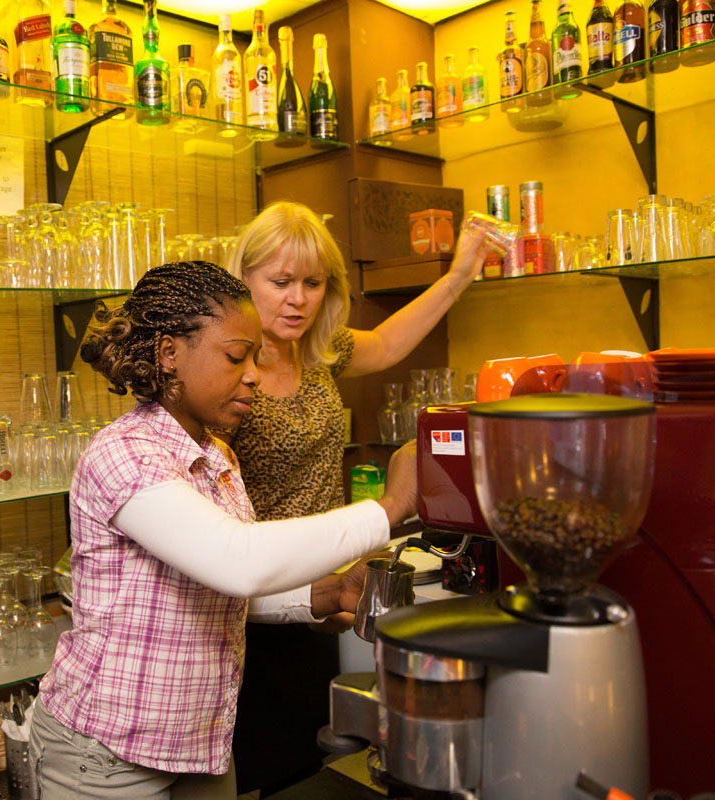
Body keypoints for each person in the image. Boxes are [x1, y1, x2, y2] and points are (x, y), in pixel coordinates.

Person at [30, 261, 418, 800]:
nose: (254, 375)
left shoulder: (217, 457)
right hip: (105, 751)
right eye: (237, 356)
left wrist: (325, 594)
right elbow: (239, 560)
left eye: (255, 357)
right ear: (169, 353)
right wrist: (390, 508)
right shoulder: (125, 454)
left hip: (200, 737)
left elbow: (220, 585)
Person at [224, 201, 489, 795]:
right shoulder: (228, 366)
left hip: (327, 586)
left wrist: (459, 274)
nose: (298, 300)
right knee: (259, 764)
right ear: (243, 278)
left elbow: (390, 342)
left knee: (313, 757)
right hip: (256, 599)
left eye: (312, 283)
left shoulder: (318, 350)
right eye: (281, 282)